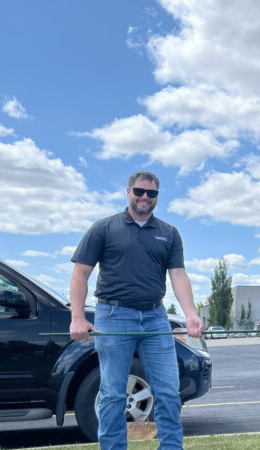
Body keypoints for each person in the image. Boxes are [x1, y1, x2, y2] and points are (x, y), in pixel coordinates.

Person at [69, 170, 202, 450]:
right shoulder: (103, 228)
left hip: (155, 318)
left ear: (157, 197)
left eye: (151, 193)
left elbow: (178, 275)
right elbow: (80, 273)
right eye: (139, 191)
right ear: (128, 192)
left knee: (167, 391)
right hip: (113, 317)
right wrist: (78, 317)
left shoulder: (169, 233)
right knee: (113, 394)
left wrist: (190, 313)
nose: (144, 197)